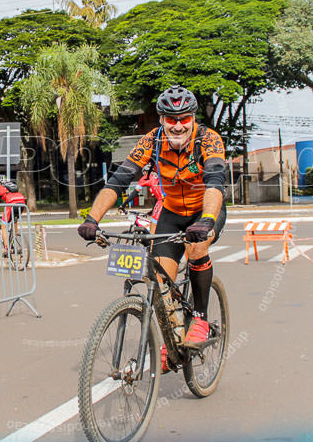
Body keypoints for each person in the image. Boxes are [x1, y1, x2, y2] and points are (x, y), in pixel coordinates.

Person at [77, 86, 227, 372]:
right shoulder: (151, 142)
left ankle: (201, 319)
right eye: (172, 119)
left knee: (196, 249)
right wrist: (92, 219)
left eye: (184, 118)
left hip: (204, 209)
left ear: (193, 117)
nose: (178, 125)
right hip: (172, 212)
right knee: (160, 283)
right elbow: (119, 181)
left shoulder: (208, 140)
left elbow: (215, 182)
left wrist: (206, 219)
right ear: (161, 120)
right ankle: (173, 339)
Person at [119, 168, 163, 232]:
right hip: (168, 200)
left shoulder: (146, 177)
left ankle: (152, 241)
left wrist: (123, 205)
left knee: (153, 226)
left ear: (145, 172)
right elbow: (157, 195)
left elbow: (135, 193)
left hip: (162, 202)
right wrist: (152, 211)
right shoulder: (158, 177)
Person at [0, 176, 26, 248]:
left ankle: (6, 248)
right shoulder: (11, 186)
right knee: (14, 221)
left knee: (4, 226)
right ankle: (12, 241)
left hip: (12, 205)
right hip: (22, 203)